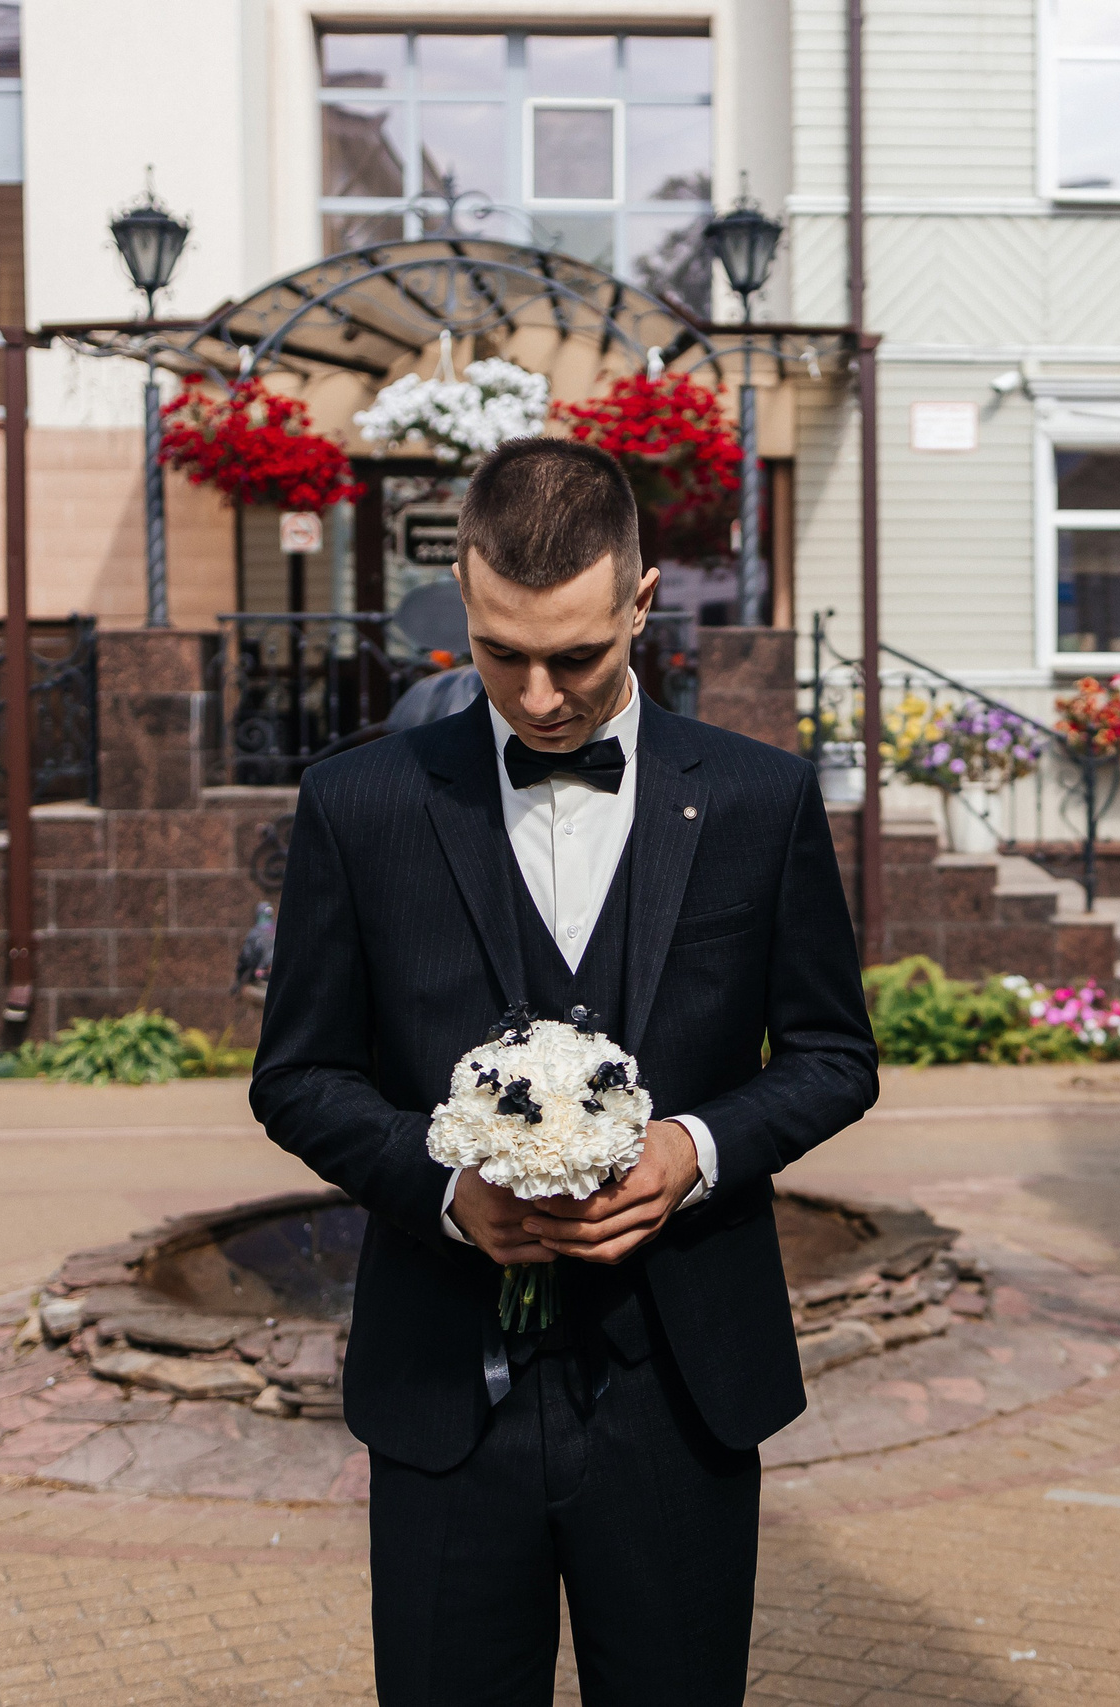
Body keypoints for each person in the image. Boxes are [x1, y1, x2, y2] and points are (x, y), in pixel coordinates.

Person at [250, 437, 879, 1704]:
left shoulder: (759, 800)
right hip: (439, 1392)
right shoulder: (357, 803)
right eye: (497, 652)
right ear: (463, 610)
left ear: (641, 602)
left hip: (682, 1386)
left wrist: (692, 1152)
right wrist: (440, 1189)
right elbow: (299, 1075)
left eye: (577, 657)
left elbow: (831, 1056)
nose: (537, 697)